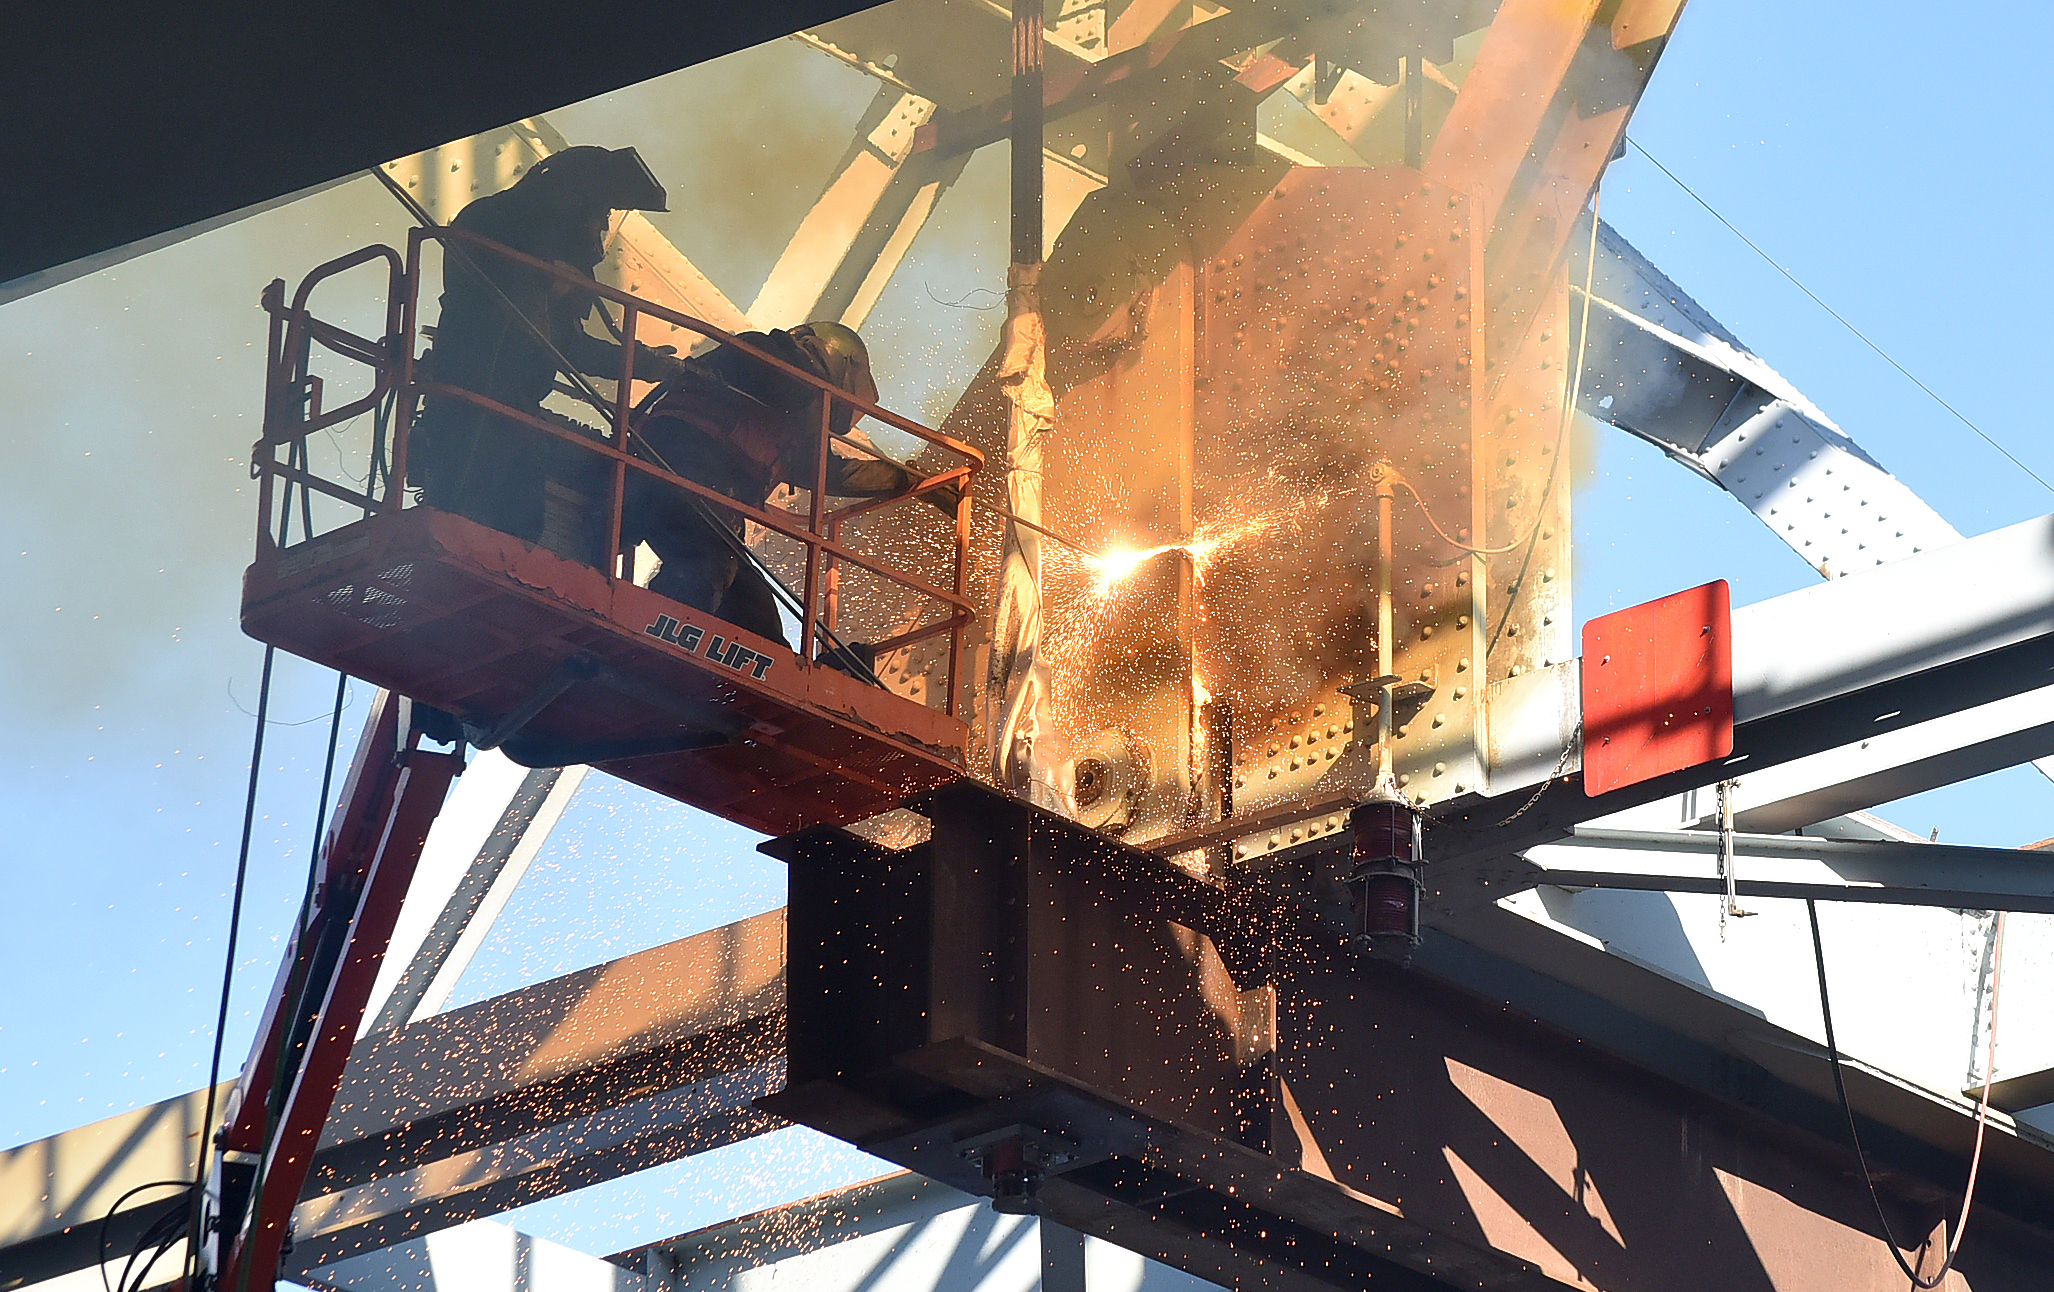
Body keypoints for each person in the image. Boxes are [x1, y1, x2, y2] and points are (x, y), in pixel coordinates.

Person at [409, 145, 690, 565]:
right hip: (492, 408)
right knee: (511, 520)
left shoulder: (490, 220)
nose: (604, 225)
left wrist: (645, 360)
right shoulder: (520, 244)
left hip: (468, 399)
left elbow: (561, 340)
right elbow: (562, 344)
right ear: (575, 204)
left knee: (468, 508)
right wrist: (650, 364)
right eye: (600, 212)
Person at [626, 321, 957, 664]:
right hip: (677, 468)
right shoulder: (768, 355)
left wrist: (912, 480)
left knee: (756, 616)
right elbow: (767, 375)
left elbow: (837, 472)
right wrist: (810, 390)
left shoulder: (790, 426)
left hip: (707, 503)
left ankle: (786, 672)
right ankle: (649, 650)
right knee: (705, 568)